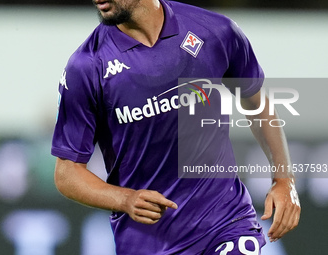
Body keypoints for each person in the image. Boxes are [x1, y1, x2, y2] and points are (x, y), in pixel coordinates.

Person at [51, 0, 301, 254]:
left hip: (225, 222)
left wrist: (284, 179)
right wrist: (125, 199)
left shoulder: (214, 31)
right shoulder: (86, 67)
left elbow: (256, 104)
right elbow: (67, 173)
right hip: (149, 241)